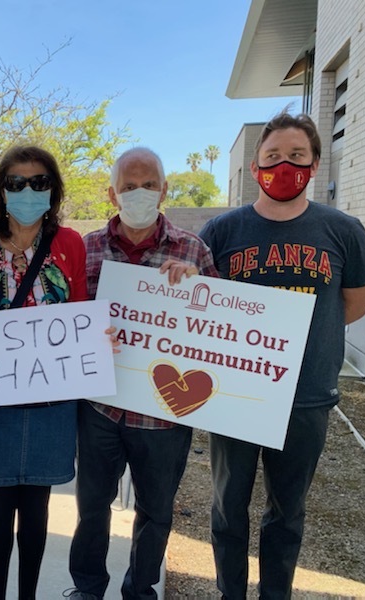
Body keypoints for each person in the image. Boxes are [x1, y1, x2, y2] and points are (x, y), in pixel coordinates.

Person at [199, 111, 365, 599]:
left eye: (296, 156)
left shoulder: (343, 229)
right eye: (273, 156)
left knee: (288, 511)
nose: (284, 166)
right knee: (227, 507)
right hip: (235, 394)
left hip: (307, 395)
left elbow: (354, 304)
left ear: (314, 164)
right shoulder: (222, 230)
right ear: (256, 166)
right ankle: (230, 593)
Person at [66, 147, 218, 600]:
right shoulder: (86, 247)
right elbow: (66, 319)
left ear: (165, 190)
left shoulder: (194, 249)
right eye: (129, 186)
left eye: (149, 184)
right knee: (92, 506)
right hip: (100, 407)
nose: (139, 194)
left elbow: (220, 329)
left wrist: (198, 288)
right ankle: (88, 589)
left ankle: (140, 589)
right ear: (112, 193)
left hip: (164, 415)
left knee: (156, 511)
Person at [0, 145, 91, 600]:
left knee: (37, 510)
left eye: (38, 182)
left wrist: (95, 341)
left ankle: (27, 595)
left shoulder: (70, 243)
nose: (27, 191)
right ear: (1, 191)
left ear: (52, 190)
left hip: (52, 402)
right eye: (16, 183)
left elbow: (79, 313)